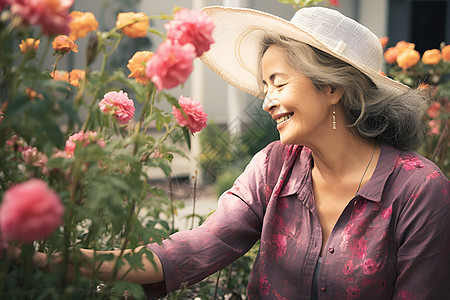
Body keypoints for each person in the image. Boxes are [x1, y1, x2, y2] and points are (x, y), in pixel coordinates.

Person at [33, 5, 450, 299]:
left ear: (333, 87)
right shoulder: (274, 167)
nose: (267, 101)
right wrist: (64, 260)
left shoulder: (418, 190)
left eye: (279, 83)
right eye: (265, 86)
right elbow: (191, 250)